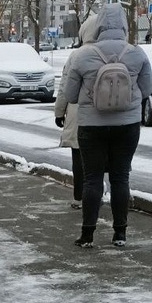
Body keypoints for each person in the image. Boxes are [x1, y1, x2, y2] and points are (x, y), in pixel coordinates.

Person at [64, 3, 152, 248]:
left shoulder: (82, 56)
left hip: (91, 127)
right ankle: (120, 233)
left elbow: (71, 95)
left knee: (92, 179)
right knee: (120, 177)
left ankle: (87, 234)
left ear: (99, 25)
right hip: (127, 126)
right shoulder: (137, 54)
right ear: (124, 25)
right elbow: (147, 90)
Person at [54, 13, 98, 210]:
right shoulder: (119, 51)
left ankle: (79, 196)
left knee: (79, 156)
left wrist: (59, 112)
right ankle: (101, 193)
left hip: (79, 113)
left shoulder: (77, 55)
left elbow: (65, 87)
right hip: (110, 114)